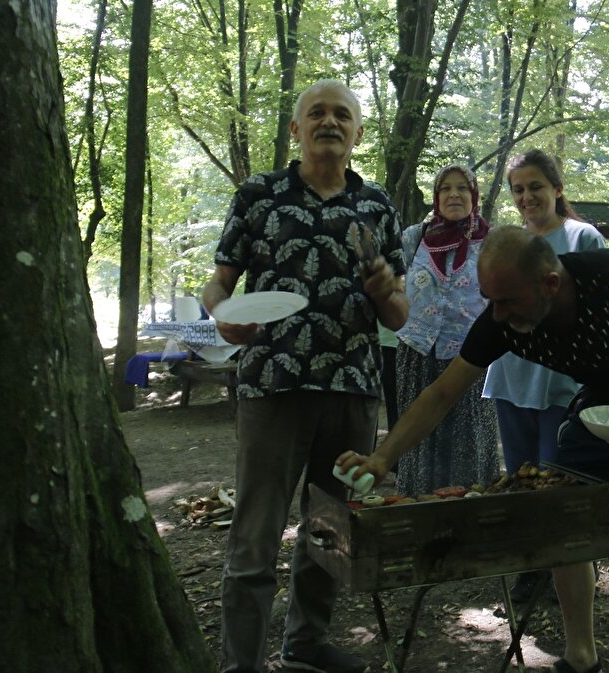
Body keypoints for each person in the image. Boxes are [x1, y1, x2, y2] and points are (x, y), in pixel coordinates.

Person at [336, 228, 609, 673]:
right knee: (564, 523)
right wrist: (383, 457)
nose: (496, 315)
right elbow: (442, 393)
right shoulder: (502, 318)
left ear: (550, 284)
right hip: (604, 400)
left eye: (507, 302)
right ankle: (580, 657)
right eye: (489, 300)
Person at [202, 79, 408, 673]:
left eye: (342, 115)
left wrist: (383, 291)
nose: (329, 122)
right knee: (256, 534)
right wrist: (221, 314)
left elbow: (397, 314)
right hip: (273, 383)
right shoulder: (260, 195)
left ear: (358, 133)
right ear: (295, 129)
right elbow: (220, 280)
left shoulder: (377, 207)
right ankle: (241, 662)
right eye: (316, 113)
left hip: (351, 387)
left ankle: (306, 643)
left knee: (329, 527)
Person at [482, 149, 605, 599]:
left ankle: (570, 569)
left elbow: (596, 309)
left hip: (561, 383)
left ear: (557, 188)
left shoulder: (581, 237)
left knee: (560, 477)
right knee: (520, 477)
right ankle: (531, 567)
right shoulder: (508, 240)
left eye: (535, 186)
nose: (527, 196)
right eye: (518, 189)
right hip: (511, 377)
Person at [393, 164, 500, 493]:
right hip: (417, 354)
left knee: (468, 443)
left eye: (462, 188)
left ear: (474, 196)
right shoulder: (415, 238)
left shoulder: (491, 242)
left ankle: (469, 515)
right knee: (418, 439)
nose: (454, 194)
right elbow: (394, 285)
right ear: (436, 198)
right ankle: (417, 507)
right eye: (445, 189)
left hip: (470, 359)